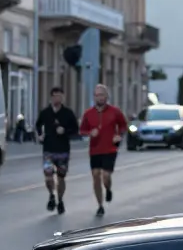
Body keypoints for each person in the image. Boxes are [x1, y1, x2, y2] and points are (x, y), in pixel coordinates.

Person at [79, 84, 127, 217]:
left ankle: (108, 189)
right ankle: (100, 205)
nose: (100, 97)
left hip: (110, 148)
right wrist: (90, 133)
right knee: (95, 175)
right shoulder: (88, 114)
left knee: (105, 176)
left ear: (107, 97)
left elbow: (123, 125)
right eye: (97, 95)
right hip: (95, 149)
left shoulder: (115, 111)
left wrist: (119, 135)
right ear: (94, 97)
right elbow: (82, 131)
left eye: (102, 95)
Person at [34, 87, 77, 215]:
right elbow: (38, 125)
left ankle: (60, 200)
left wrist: (65, 131)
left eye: (60, 96)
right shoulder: (46, 112)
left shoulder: (68, 113)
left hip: (63, 150)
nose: (58, 98)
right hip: (48, 149)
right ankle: (51, 195)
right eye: (55, 96)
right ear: (51, 98)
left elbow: (75, 129)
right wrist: (40, 134)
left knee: (61, 177)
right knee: (48, 176)